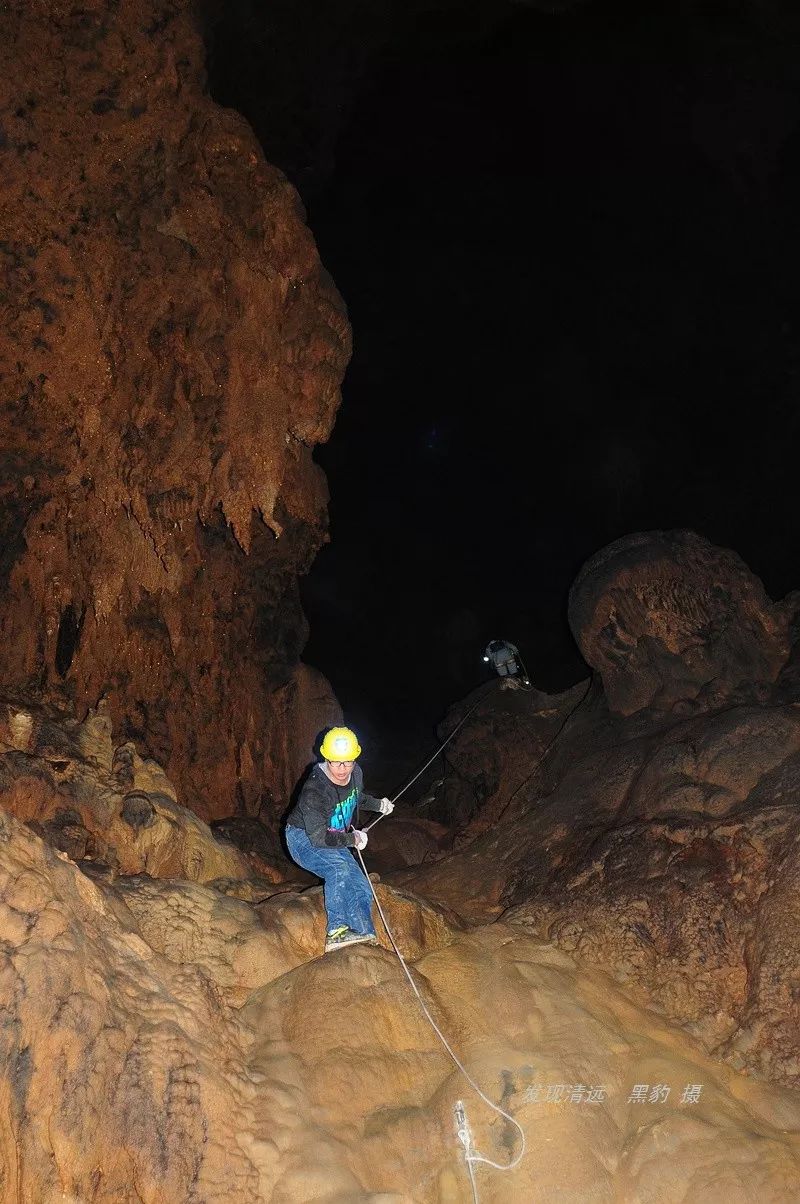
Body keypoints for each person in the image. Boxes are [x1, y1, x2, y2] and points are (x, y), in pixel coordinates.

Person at [285, 726, 395, 952]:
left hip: (333, 836)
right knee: (338, 870)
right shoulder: (315, 790)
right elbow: (318, 838)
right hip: (303, 838)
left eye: (348, 762)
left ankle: (363, 933)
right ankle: (337, 932)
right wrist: (353, 839)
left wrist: (379, 805)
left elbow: (356, 797)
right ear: (326, 758)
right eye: (336, 762)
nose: (343, 769)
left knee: (361, 885)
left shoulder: (356, 773)